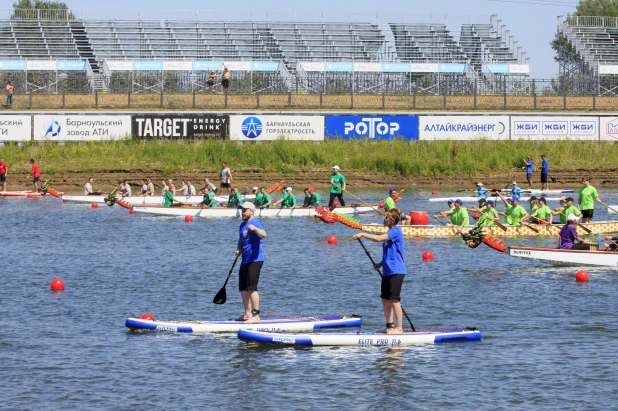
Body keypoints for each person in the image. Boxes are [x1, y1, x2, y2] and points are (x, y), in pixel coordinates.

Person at [352, 209, 406, 335]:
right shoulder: (389, 232)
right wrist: (380, 264)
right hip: (387, 271)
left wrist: (363, 234)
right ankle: (389, 326)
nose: (383, 219)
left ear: (392, 220)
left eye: (386, 217)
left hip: (396, 270)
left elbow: (377, 239)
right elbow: (389, 253)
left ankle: (399, 328)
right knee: (385, 299)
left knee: (394, 299)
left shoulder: (396, 231)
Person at [236, 201, 267, 322]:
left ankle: (256, 316)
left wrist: (255, 229)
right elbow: (240, 240)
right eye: (241, 210)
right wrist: (238, 249)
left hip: (256, 260)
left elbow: (264, 235)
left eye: (245, 210)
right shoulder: (242, 225)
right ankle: (247, 314)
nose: (242, 212)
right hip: (245, 260)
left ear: (252, 211)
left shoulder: (256, 222)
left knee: (251, 288)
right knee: (243, 288)